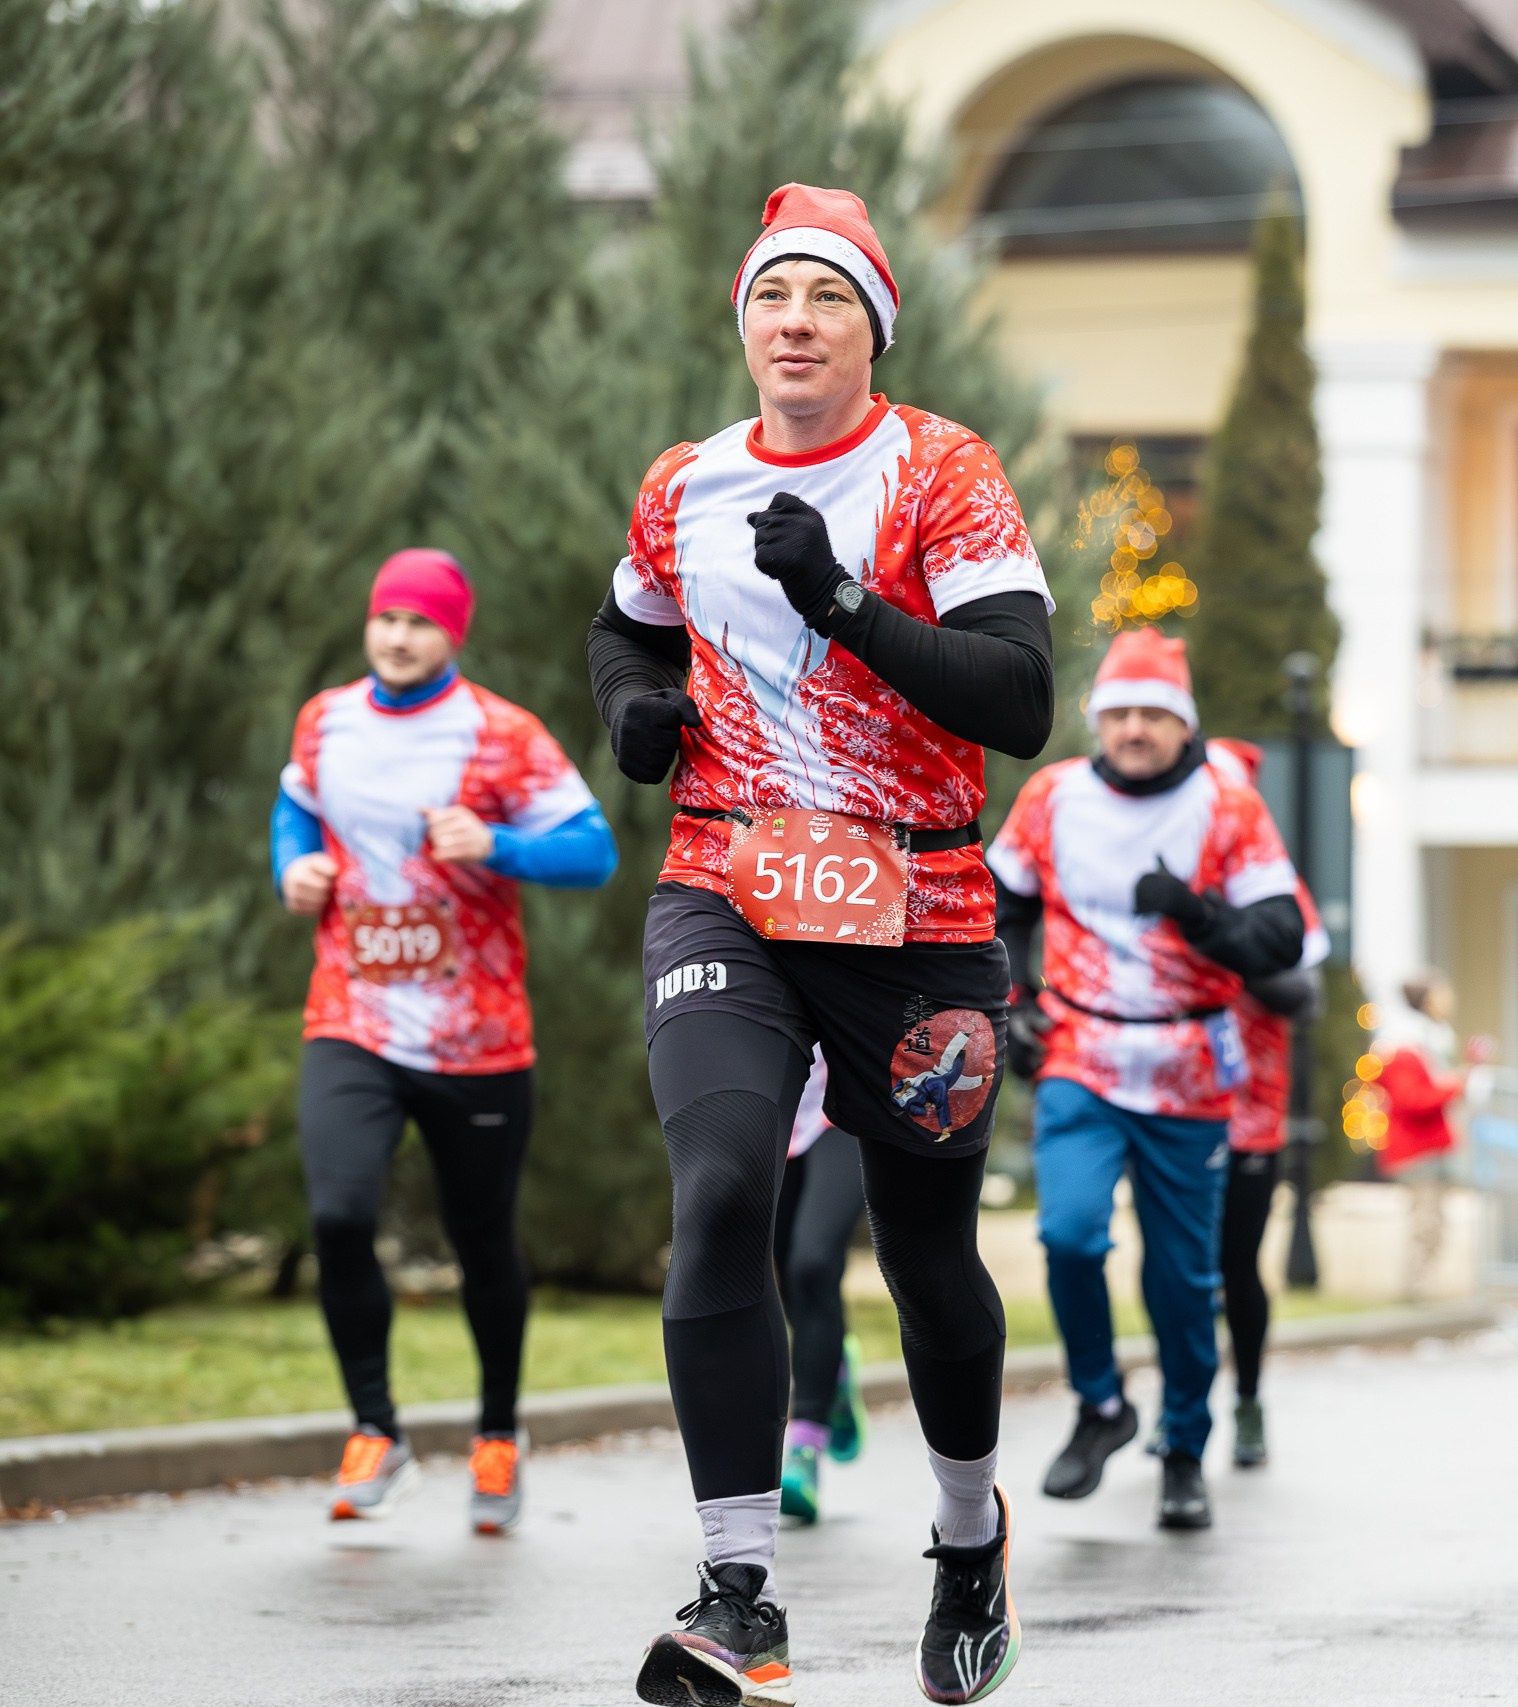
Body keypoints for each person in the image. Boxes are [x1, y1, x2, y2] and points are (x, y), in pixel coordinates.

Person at [586, 182, 1053, 1707]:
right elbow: (629, 623)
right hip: (726, 883)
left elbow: (1019, 697)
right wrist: (636, 710)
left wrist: (841, 599)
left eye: (827, 300)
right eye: (772, 299)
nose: (794, 323)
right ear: (745, 325)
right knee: (722, 1188)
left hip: (916, 916)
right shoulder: (688, 479)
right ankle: (738, 1593)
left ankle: (971, 1536)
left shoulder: (944, 473)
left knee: (923, 1253)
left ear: (873, 331)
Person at [273, 548, 618, 1534]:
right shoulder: (326, 718)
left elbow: (593, 851)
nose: (398, 636)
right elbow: (295, 806)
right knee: (339, 1216)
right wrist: (294, 867)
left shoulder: (501, 735)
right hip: (354, 1016)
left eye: (420, 622)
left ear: (451, 633)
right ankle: (375, 1430)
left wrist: (496, 845)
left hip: (478, 1039)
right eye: (386, 617)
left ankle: (499, 1434)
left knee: (482, 1241)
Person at [989, 628, 1309, 1532]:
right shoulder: (1052, 796)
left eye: (1154, 715)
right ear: (1098, 721)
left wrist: (1198, 912)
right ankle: (1101, 1405)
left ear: (1183, 724)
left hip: (1187, 1070)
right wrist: (1014, 997)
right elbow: (1002, 899)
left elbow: (1283, 940)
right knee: (1070, 1233)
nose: (1134, 729)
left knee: (1182, 1278)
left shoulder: (1228, 803)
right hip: (1082, 1059)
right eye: (1119, 712)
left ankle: (1182, 1445)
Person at [1204, 737, 1329, 1468]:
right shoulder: (1159, 870)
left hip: (1249, 1113)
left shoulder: (1272, 889)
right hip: (1166, 1102)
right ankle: (1181, 1407)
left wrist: (1221, 932)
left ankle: (1247, 1398)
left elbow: (1303, 993)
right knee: (1176, 1268)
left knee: (1236, 1265)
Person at [776, 1055, 870, 1523]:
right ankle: (833, 1370)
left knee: (813, 1264)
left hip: (848, 1103)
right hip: (773, 1103)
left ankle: (804, 1451)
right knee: (785, 1275)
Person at [1373, 971, 1466, 1300]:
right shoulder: (1405, 1049)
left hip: (1432, 1147)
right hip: (1416, 1149)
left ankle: (1421, 1287)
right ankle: (1414, 1289)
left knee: (1434, 1222)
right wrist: (1455, 1087)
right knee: (1425, 1223)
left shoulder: (1434, 1043)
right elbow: (1411, 1100)